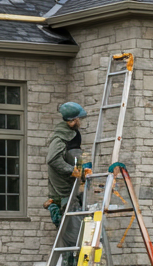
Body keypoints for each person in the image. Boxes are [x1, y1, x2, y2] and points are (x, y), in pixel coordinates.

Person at [44, 101, 90, 263]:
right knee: (73, 244)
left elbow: (74, 158)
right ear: (72, 120)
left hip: (72, 193)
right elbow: (53, 159)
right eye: (78, 119)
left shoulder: (71, 135)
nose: (80, 122)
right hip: (65, 196)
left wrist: (82, 170)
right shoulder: (60, 137)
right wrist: (72, 170)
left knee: (78, 239)